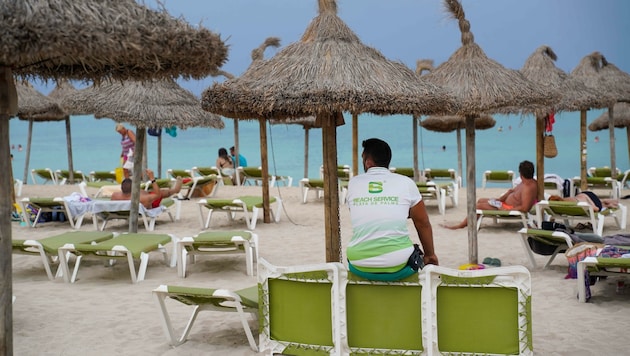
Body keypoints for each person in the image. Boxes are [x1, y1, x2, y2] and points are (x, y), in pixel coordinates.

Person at [346, 138, 438, 281]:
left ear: (368, 162)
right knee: (415, 259)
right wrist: (430, 255)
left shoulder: (353, 184)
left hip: (359, 262)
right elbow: (422, 223)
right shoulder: (406, 183)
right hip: (397, 262)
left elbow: (366, 212)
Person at [442, 160, 538, 230]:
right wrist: (503, 197)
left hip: (508, 209)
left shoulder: (528, 187)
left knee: (478, 206)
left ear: (521, 174)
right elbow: (515, 195)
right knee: (480, 200)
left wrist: (507, 209)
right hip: (503, 204)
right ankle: (470, 222)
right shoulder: (525, 182)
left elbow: (525, 208)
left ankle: (462, 225)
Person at [111, 169, 182, 209]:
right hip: (146, 205)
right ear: (133, 189)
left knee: (147, 192)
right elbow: (158, 194)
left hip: (128, 207)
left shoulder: (115, 196)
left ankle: (175, 190)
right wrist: (152, 178)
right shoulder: (144, 199)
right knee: (161, 192)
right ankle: (175, 190)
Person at [548, 192, 619, 212]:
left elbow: (596, 208)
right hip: (583, 195)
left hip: (584, 199)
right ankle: (603, 202)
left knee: (597, 207)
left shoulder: (557, 209)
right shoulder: (565, 200)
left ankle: (605, 204)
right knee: (597, 206)